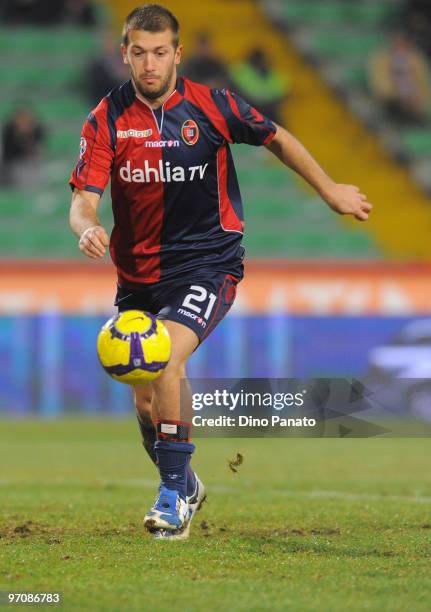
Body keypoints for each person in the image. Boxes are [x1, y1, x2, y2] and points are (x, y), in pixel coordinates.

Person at [69, 4, 372, 540]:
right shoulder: (106, 120)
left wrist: (329, 190)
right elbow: (83, 199)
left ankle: (171, 501)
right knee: (143, 391)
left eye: (160, 53)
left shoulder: (212, 106)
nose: (149, 64)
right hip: (138, 275)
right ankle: (183, 480)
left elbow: (276, 135)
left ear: (177, 54)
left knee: (163, 357)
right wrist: (86, 225)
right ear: (125, 54)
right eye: (138, 53)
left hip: (209, 263)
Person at [368, 33, 431, 125]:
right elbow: (380, 85)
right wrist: (397, 94)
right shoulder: (381, 59)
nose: (400, 48)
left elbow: (422, 84)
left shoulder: (415, 61)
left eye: (403, 45)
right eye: (398, 44)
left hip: (412, 100)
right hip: (392, 101)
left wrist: (416, 97)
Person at [229, 47, 289, 124]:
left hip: (268, 110)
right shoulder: (241, 71)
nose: (264, 62)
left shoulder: (273, 74)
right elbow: (250, 94)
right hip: (247, 109)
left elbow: (281, 93)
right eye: (261, 60)